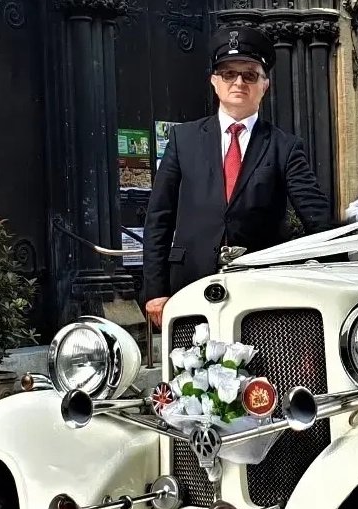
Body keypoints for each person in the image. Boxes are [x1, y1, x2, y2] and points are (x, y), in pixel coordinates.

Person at [141, 26, 334, 327]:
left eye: (250, 74)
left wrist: (332, 279)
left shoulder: (284, 146)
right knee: (188, 372)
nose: (238, 82)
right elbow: (159, 218)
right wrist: (155, 290)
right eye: (228, 74)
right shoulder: (184, 140)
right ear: (214, 82)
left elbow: (317, 218)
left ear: (265, 84)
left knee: (262, 374)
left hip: (262, 291)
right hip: (190, 286)